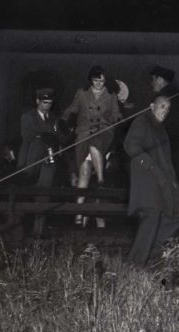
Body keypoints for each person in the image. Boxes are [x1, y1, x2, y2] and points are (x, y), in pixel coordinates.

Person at [123, 95, 179, 266]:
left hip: (165, 180)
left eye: (168, 108)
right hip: (148, 179)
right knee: (151, 217)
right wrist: (149, 164)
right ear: (152, 106)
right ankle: (135, 263)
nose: (165, 111)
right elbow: (130, 145)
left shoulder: (161, 129)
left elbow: (166, 160)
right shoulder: (142, 121)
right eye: (162, 106)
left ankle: (152, 248)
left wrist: (173, 180)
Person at [62, 65, 122, 228]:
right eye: (96, 80)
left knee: (95, 144)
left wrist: (117, 119)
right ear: (91, 79)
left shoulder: (111, 96)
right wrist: (64, 119)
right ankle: (78, 215)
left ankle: (101, 179)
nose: (99, 84)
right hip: (84, 134)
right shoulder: (81, 94)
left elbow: (116, 114)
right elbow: (72, 109)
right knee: (84, 170)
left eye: (102, 81)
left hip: (103, 132)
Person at [17, 88, 61, 236]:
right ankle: (20, 228)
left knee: (44, 194)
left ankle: (38, 231)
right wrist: (47, 135)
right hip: (30, 162)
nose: (47, 105)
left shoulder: (54, 118)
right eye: (44, 102)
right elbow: (28, 136)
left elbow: (59, 136)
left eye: (50, 103)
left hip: (48, 161)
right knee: (25, 195)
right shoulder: (28, 116)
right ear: (38, 101)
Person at [150, 65, 179, 190]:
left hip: (173, 159)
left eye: (153, 79)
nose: (152, 83)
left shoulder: (164, 98)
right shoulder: (177, 96)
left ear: (160, 80)